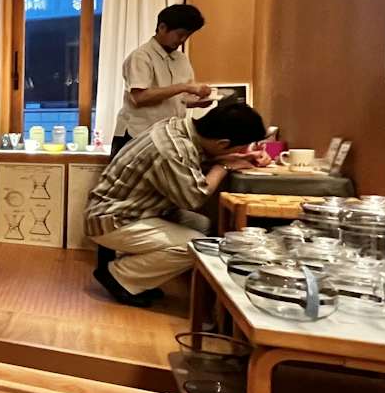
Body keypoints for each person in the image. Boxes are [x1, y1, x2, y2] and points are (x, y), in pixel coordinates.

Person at [86, 102, 267, 306]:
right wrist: (223, 166)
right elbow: (194, 198)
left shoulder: (179, 128)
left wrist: (237, 157)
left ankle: (137, 275)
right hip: (112, 219)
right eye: (241, 147)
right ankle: (120, 276)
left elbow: (191, 166)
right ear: (223, 143)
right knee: (197, 245)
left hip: (134, 210)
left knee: (203, 226)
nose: (242, 151)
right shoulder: (173, 149)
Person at [110, 4, 212, 155]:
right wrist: (184, 87)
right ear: (162, 27)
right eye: (180, 34)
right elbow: (139, 98)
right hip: (136, 135)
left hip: (167, 136)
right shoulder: (141, 56)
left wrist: (199, 102)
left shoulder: (181, 59)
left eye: (188, 35)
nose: (183, 40)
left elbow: (179, 100)